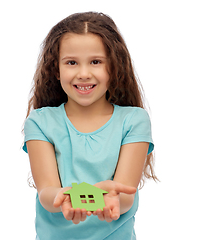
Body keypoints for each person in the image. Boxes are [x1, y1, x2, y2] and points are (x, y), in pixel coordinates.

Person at [22, 11, 157, 240]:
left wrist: (111, 197)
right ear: (56, 69)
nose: (83, 74)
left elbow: (125, 195)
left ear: (113, 67)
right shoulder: (40, 122)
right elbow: (46, 191)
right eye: (72, 63)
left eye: (95, 62)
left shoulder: (134, 120)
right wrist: (64, 197)